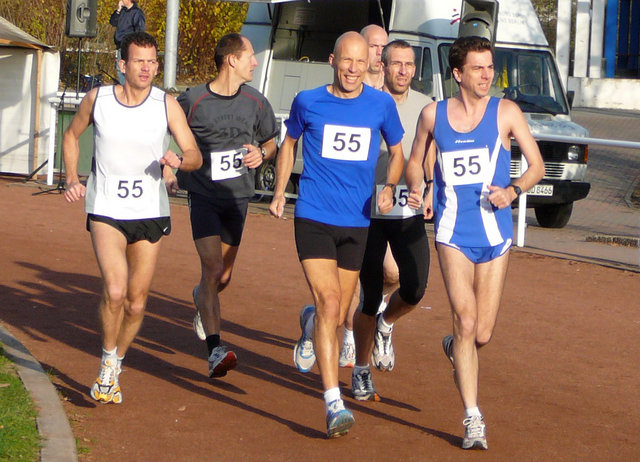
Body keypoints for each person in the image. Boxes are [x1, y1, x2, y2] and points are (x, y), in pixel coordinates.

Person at [405, 36, 545, 449]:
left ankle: (457, 346)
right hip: (451, 233)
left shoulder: (506, 113)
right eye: (479, 68)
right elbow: (416, 160)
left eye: (490, 67)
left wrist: (514, 190)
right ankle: (472, 417)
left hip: (495, 234)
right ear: (458, 74)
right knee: (465, 320)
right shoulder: (433, 115)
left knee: (481, 333)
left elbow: (536, 165)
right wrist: (418, 186)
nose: (487, 75)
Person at [269, 31, 404, 438]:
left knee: (341, 313)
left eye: (360, 62)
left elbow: (397, 152)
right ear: (332, 60)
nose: (352, 69)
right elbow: (289, 142)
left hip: (358, 221)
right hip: (313, 214)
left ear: (371, 65)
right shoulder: (308, 101)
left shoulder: (381, 105)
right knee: (330, 302)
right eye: (346, 61)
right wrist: (279, 191)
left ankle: (310, 324)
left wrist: (388, 186)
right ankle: (332, 402)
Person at [62, 32, 202, 404]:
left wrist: (178, 161)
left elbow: (194, 153)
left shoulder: (166, 104)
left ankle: (118, 360)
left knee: (137, 302)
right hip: (106, 207)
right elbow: (71, 136)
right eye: (139, 61)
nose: (146, 68)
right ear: (122, 65)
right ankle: (107, 361)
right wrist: (73, 177)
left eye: (152, 61)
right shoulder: (99, 99)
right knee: (115, 290)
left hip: (150, 211)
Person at [167, 33, 278, 379]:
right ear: (231, 60)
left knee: (221, 277)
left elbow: (271, 143)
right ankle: (215, 349)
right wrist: (170, 165)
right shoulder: (193, 100)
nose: (255, 62)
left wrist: (263, 154)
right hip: (203, 195)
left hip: (237, 198)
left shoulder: (257, 102)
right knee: (214, 267)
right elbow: (164, 127)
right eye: (250, 57)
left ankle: (202, 296)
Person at [351, 40, 432, 402]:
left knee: (415, 287)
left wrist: (429, 188)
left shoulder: (427, 107)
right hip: (369, 211)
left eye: (409, 65)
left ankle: (387, 324)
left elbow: (431, 156)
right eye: (396, 64)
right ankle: (361, 370)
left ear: (415, 69)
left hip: (407, 210)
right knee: (369, 295)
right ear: (382, 66)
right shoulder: (365, 100)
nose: (402, 71)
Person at [337, 23, 392, 369]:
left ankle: (380, 321)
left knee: (393, 273)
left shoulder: (391, 94)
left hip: (385, 196)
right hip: (349, 197)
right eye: (374, 46)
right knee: (350, 275)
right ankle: (346, 337)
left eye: (383, 48)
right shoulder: (349, 90)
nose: (379, 54)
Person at [110, 0, 146, 84]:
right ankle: (124, 87)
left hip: (130, 46)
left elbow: (140, 31)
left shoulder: (137, 13)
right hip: (120, 45)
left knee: (129, 68)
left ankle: (130, 88)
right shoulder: (122, 11)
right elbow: (113, 22)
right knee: (120, 68)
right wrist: (118, 10)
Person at [360, 24, 388, 90]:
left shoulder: (394, 87)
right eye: (373, 46)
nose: (379, 52)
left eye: (383, 47)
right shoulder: (351, 86)